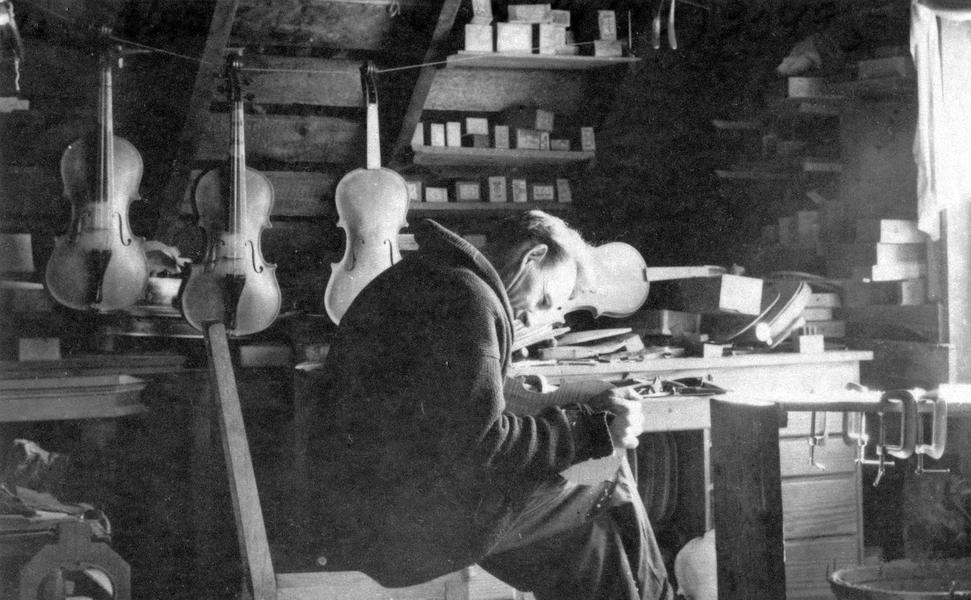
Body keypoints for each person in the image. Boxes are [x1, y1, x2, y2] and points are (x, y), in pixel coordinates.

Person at [305, 211, 673, 600]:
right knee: (606, 480)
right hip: (396, 524)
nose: (535, 317)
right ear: (532, 257)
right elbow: (481, 445)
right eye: (544, 299)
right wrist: (588, 428)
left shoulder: (436, 276)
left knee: (584, 538)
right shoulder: (468, 299)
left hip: (369, 507)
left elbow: (452, 416)